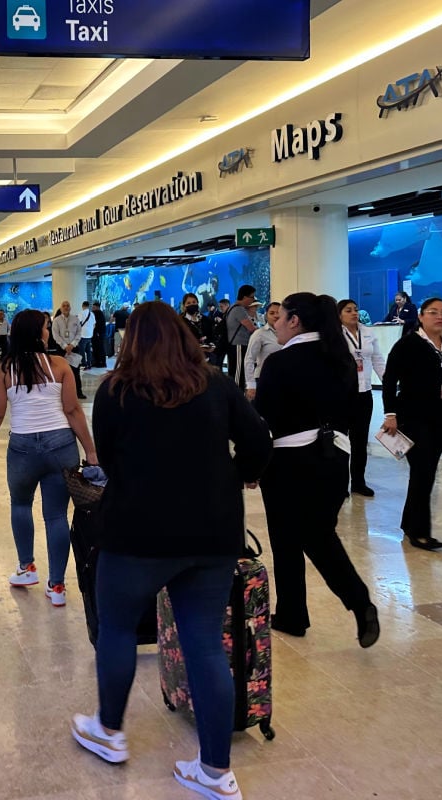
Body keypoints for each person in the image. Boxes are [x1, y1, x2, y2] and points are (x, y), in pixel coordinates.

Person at [71, 301, 270, 796]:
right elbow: (259, 442)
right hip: (212, 535)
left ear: (131, 341)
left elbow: (110, 460)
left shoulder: (117, 392)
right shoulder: (218, 385)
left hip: (137, 534)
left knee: (117, 629)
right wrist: (242, 474)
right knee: (204, 644)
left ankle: (109, 731)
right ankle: (215, 772)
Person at [253, 293, 379, 647]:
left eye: (280, 316)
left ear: (295, 321)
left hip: (289, 463)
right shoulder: (339, 359)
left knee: (287, 539)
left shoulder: (280, 362)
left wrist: (249, 464)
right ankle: (349, 603)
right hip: (335, 458)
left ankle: (299, 613)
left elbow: (263, 419)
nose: (275, 322)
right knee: (319, 534)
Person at [0, 309, 97, 609]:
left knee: (21, 504)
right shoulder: (59, 365)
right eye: (45, 327)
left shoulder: (6, 368)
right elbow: (73, 410)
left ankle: (26, 568)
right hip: (60, 445)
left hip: (23, 447)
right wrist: (90, 452)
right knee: (56, 516)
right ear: (37, 333)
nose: (48, 331)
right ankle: (57, 586)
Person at [381, 297, 442, 550]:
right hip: (412, 415)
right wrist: (390, 414)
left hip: (440, 414)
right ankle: (420, 531)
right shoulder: (409, 344)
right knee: (423, 471)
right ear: (421, 316)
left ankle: (409, 521)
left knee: (426, 472)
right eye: (434, 312)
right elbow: (390, 379)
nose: (440, 317)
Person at [337, 299, 388, 497]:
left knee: (360, 441)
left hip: (364, 392)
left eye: (355, 310)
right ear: (339, 315)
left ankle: (358, 481)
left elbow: (377, 359)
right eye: (348, 310)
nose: (354, 313)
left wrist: (388, 382)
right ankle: (340, 484)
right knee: (341, 440)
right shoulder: (336, 335)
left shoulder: (368, 332)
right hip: (343, 394)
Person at [243, 301, 282, 400]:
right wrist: (251, 385)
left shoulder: (289, 333)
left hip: (283, 379)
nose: (276, 316)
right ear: (266, 315)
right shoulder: (259, 334)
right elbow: (249, 359)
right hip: (264, 378)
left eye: (279, 313)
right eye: (272, 313)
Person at [52, 300, 87, 400]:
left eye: (68, 305)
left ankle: (78, 392)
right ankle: (61, 394)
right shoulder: (56, 320)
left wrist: (72, 345)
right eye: (64, 306)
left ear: (70, 308)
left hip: (74, 348)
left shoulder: (75, 319)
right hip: (61, 349)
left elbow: (79, 333)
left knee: (76, 371)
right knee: (61, 371)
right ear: (61, 308)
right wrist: (64, 346)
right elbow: (55, 335)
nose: (66, 307)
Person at [225, 285, 259, 386]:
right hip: (238, 345)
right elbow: (251, 328)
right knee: (238, 374)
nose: (253, 300)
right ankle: (236, 397)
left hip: (234, 345)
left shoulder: (232, 307)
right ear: (244, 297)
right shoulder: (239, 309)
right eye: (252, 297)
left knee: (236, 372)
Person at [78, 301, 96, 370]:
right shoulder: (92, 314)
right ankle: (89, 363)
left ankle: (84, 364)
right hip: (90, 335)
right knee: (88, 350)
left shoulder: (81, 313)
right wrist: (91, 331)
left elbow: (78, 323)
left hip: (83, 335)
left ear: (83, 306)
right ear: (88, 306)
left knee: (81, 350)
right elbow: (94, 324)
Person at [91, 301, 107, 367]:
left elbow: (97, 324)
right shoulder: (100, 313)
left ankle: (100, 362)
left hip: (98, 334)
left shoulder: (97, 313)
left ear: (97, 307)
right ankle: (99, 362)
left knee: (98, 348)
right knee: (98, 348)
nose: (92, 308)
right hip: (99, 334)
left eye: (94, 307)